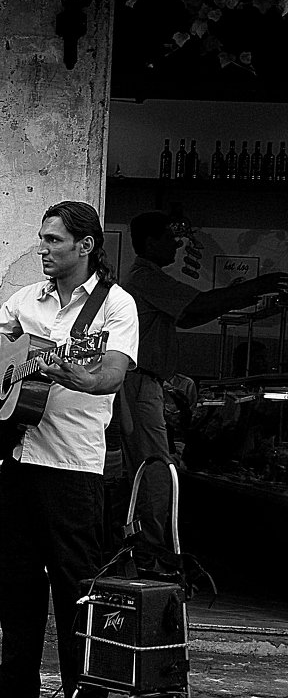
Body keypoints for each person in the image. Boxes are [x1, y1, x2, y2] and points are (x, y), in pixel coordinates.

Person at [0, 201, 139, 698]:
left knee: (74, 585)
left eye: (54, 241)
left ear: (86, 246)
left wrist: (67, 373)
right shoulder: (26, 301)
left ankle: (86, 696)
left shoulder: (115, 307)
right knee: (15, 579)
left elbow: (109, 375)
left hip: (72, 467)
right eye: (42, 239)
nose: (43, 249)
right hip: (18, 457)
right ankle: (15, 682)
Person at [121, 211, 288, 569]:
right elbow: (197, 307)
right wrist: (257, 286)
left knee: (154, 468)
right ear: (150, 242)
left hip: (146, 384)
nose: (177, 246)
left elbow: (193, 314)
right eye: (170, 238)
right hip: (139, 383)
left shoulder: (148, 279)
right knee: (156, 470)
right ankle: (150, 553)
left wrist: (240, 296)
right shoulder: (145, 277)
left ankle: (149, 548)